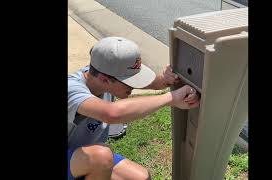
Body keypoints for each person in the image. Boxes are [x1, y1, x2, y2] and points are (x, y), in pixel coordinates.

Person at [68, 36, 200, 180]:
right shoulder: (72, 88)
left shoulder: (102, 72)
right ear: (104, 79)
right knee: (101, 156)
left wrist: (167, 79)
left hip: (81, 155)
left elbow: (156, 83)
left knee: (141, 177)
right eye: (129, 82)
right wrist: (171, 98)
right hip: (86, 156)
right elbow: (112, 113)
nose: (134, 86)